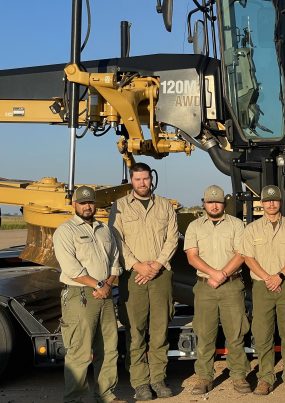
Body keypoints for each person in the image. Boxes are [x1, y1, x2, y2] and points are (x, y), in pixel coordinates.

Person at [109, 162, 178, 401]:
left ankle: (158, 379)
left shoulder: (165, 206)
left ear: (152, 179)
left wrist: (156, 265)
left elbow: (172, 238)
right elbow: (116, 239)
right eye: (138, 179)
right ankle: (140, 383)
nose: (142, 183)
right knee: (135, 331)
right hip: (133, 276)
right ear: (132, 181)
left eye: (146, 179)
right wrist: (138, 266)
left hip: (160, 275)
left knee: (159, 331)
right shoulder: (119, 207)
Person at [53, 186, 124, 403]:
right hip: (81, 295)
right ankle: (75, 399)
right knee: (80, 352)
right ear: (74, 204)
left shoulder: (105, 230)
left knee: (109, 349)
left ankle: (106, 396)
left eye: (90, 202)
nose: (87, 206)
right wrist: (98, 285)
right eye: (82, 203)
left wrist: (107, 284)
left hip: (106, 294)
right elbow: (71, 268)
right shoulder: (65, 231)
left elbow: (115, 260)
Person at [184, 185, 252, 395]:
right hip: (205, 288)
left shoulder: (236, 225)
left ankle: (239, 376)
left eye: (218, 202)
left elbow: (242, 253)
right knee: (204, 334)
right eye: (210, 201)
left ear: (224, 204)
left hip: (231, 285)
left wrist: (222, 274)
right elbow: (192, 256)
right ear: (204, 203)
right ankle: (204, 377)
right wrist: (214, 274)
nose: (214, 205)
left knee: (236, 333)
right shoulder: (194, 226)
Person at [241, 185, 285, 395]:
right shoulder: (252, 229)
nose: (271, 204)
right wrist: (267, 277)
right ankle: (265, 378)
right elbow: (247, 258)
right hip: (262, 286)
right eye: (267, 200)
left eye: (274, 200)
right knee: (263, 335)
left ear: (280, 202)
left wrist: (279, 276)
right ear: (262, 203)